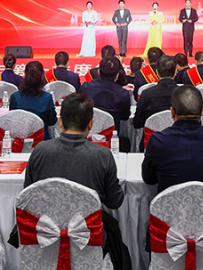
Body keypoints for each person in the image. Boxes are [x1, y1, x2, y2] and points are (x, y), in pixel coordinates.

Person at [23, 93, 129, 267]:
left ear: (60, 122)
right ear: (91, 124)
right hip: (88, 237)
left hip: (45, 235)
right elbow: (115, 201)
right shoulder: (102, 155)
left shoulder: (40, 151)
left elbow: (27, 194)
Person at [143, 85, 203, 192]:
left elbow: (149, 179)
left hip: (170, 203)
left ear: (172, 112)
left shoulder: (158, 141)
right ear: (202, 111)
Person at [79, 57, 131, 139]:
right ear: (117, 75)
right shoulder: (123, 94)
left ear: (98, 71)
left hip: (85, 133)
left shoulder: (85, 88)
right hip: (111, 137)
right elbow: (125, 117)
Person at [10, 61, 57, 140]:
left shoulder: (15, 97)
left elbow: (13, 120)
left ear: (25, 75)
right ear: (42, 77)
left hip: (20, 140)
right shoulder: (47, 98)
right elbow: (52, 121)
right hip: (42, 140)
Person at [134, 56, 178, 133]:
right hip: (179, 137)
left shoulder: (146, 94)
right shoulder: (185, 94)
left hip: (152, 137)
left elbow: (137, 123)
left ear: (157, 72)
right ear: (175, 72)